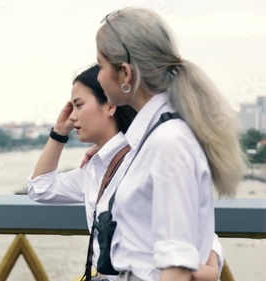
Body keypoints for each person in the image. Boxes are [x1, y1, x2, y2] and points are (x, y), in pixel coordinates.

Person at [27, 64, 224, 281]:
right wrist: (59, 133)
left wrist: (208, 269)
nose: (72, 116)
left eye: (79, 105)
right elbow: (40, 188)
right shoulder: (94, 168)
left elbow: (196, 226)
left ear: (110, 106)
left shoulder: (144, 158)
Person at [94, 7, 245, 281]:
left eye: (101, 65)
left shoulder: (167, 143)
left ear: (125, 74)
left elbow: (176, 268)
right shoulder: (157, 138)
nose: (98, 77)